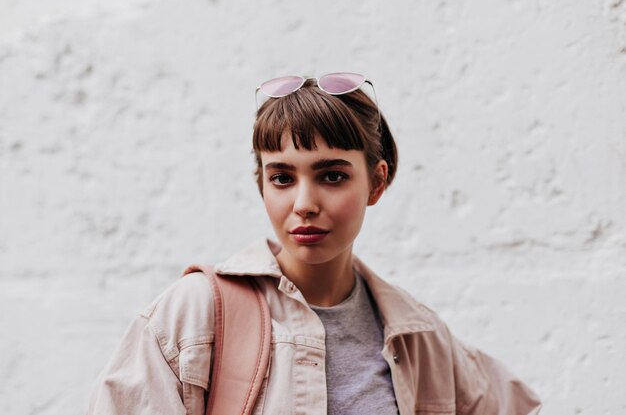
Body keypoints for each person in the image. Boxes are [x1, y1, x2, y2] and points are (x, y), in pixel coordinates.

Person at [87, 73, 542, 415]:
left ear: (376, 183)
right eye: (282, 177)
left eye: (332, 176)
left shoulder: (419, 337)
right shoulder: (193, 316)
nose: (304, 204)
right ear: (261, 184)